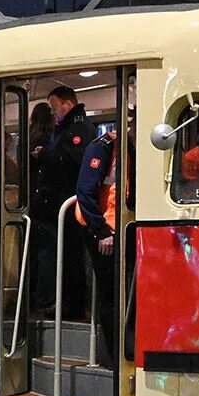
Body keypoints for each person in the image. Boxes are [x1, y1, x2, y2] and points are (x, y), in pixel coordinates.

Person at [75, 110, 135, 367]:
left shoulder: (131, 148)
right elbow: (85, 192)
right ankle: (114, 355)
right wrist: (101, 232)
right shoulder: (103, 148)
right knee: (110, 293)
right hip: (103, 231)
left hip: (123, 228)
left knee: (124, 290)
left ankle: (125, 349)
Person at [29, 85, 91, 313]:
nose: (54, 114)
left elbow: (70, 159)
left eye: (56, 109)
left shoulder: (77, 130)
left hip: (61, 204)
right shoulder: (65, 129)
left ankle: (60, 304)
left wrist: (44, 155)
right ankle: (61, 303)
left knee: (65, 256)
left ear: (67, 103)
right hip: (55, 205)